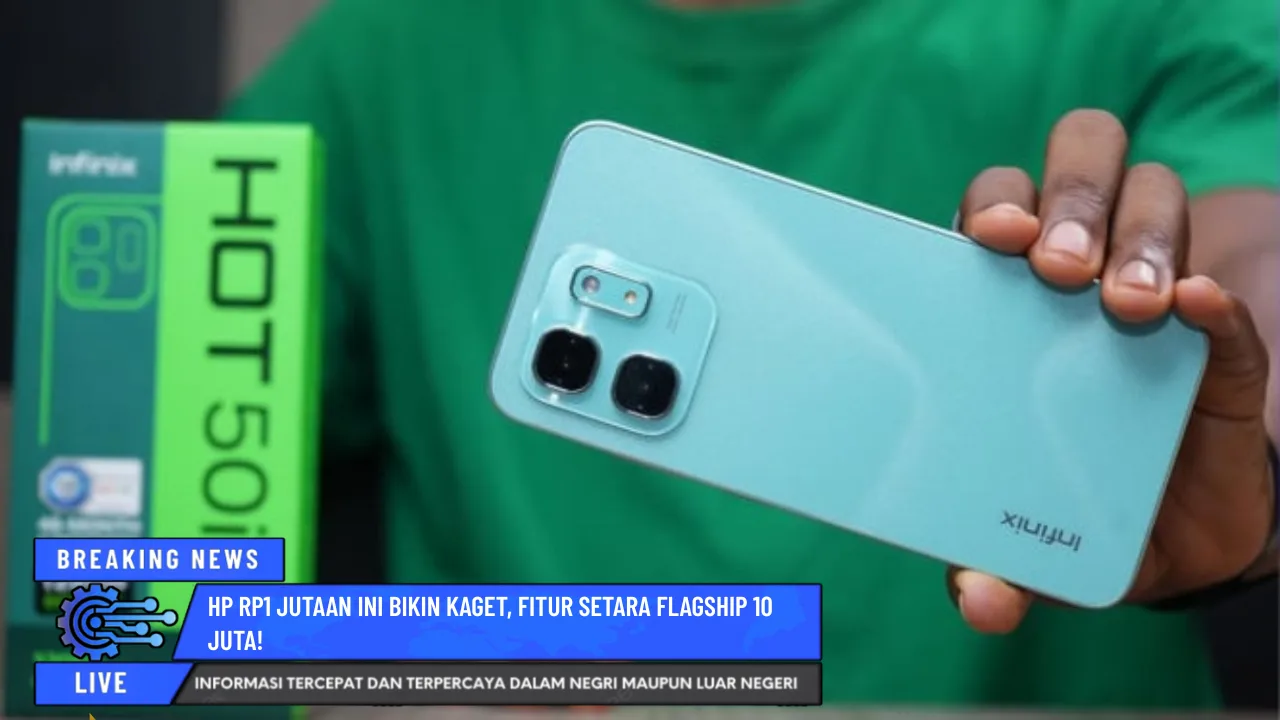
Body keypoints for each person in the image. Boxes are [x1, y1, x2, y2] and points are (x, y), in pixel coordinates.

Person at [228, 0, 1279, 708]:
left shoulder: (1156, 19)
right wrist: (395, 674)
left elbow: (1249, 267)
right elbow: (143, 603)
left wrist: (1257, 475)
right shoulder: (387, 56)